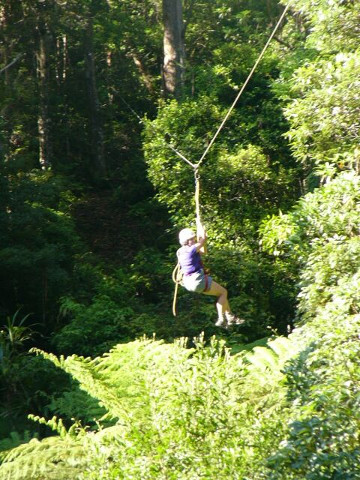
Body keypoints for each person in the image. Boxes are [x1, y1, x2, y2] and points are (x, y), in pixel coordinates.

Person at [177, 224, 244, 328]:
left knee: (221, 293)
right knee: (223, 293)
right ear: (186, 241)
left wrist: (200, 238)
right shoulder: (191, 249)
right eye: (192, 239)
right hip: (197, 280)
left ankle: (230, 316)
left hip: (188, 283)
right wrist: (202, 228)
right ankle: (221, 318)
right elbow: (203, 240)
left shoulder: (180, 252)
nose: (194, 240)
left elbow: (202, 251)